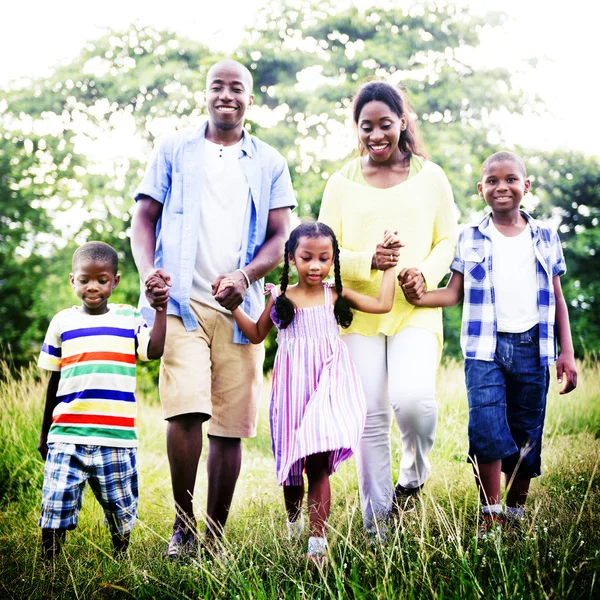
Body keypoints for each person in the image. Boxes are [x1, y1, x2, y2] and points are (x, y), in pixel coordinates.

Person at [130, 59, 296, 558]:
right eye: (217, 87)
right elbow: (143, 217)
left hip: (237, 307)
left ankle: (215, 535)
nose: (226, 95)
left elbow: (282, 235)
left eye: (237, 88)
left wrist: (245, 276)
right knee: (186, 412)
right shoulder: (173, 149)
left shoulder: (268, 161)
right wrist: (147, 276)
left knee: (229, 424)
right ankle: (182, 528)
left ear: (250, 98)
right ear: (205, 95)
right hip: (178, 303)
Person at [401, 151, 578, 536]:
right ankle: (490, 513)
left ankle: (515, 512)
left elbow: (558, 297)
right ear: (481, 189)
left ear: (526, 186)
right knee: (487, 428)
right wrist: (417, 296)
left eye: (511, 179)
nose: (502, 187)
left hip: (534, 347)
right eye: (493, 181)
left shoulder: (546, 236)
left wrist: (567, 352)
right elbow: (452, 294)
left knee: (527, 430)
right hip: (484, 349)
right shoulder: (469, 236)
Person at [318, 80, 458, 536]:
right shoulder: (340, 183)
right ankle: (377, 526)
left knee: (414, 402)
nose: (376, 135)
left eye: (385, 124)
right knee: (370, 417)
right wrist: (366, 262)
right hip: (358, 314)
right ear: (356, 130)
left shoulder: (430, 176)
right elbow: (322, 249)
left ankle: (413, 477)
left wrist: (424, 273)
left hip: (414, 311)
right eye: (366, 127)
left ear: (402, 122)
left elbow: (448, 240)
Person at [217, 221, 398, 562]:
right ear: (291, 258)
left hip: (327, 385)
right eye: (307, 258)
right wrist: (234, 308)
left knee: (316, 462)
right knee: (291, 466)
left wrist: (388, 267)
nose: (315, 266)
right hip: (290, 389)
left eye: (324, 258)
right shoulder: (281, 298)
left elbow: (383, 305)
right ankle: (294, 524)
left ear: (333, 261)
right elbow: (257, 334)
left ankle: (317, 542)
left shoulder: (335, 294)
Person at [37, 241, 167, 560]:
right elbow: (53, 381)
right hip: (67, 436)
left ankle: (120, 555)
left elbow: (154, 351)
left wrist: (161, 311)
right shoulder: (61, 323)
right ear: (73, 281)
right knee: (55, 505)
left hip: (117, 438)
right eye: (84, 280)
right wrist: (45, 434)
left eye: (102, 280)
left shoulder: (129, 318)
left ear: (115, 281)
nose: (92, 287)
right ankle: (49, 563)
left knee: (121, 510)